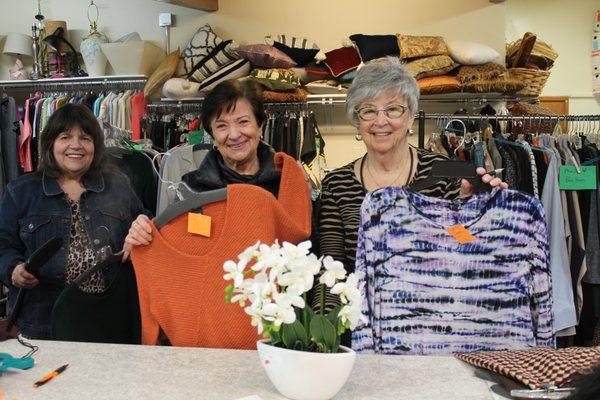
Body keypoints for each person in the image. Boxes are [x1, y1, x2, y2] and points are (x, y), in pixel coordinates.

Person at [316, 56, 507, 311]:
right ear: (357, 120)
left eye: (393, 109)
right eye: (369, 110)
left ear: (411, 116)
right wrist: (326, 335)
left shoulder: (449, 173)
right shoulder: (337, 184)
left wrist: (472, 210)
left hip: (434, 325)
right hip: (361, 330)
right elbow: (332, 270)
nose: (380, 121)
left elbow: (468, 248)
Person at [0, 104, 148, 339]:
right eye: (65, 137)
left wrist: (140, 233)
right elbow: (3, 245)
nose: (76, 145)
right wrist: (13, 269)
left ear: (95, 146)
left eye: (85, 138)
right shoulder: (21, 191)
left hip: (110, 317)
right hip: (44, 320)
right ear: (50, 144)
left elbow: (144, 222)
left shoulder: (117, 183)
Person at [125, 79, 310, 248]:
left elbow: (308, 252)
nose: (235, 134)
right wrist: (142, 236)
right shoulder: (192, 190)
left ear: (260, 125)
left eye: (243, 122)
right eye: (222, 126)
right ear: (212, 133)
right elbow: (175, 248)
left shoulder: (286, 181)